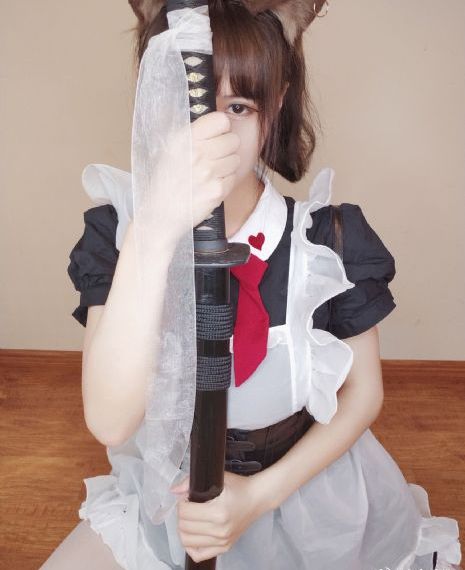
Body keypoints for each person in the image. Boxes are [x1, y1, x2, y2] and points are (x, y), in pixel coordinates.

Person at [40, 1, 462, 569]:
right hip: (174, 501)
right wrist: (155, 228)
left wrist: (256, 498)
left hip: (304, 493)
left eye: (238, 106)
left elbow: (364, 394)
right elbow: (111, 422)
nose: (209, 134)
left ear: (276, 105)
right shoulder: (119, 234)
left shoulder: (328, 241)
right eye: (187, 104)